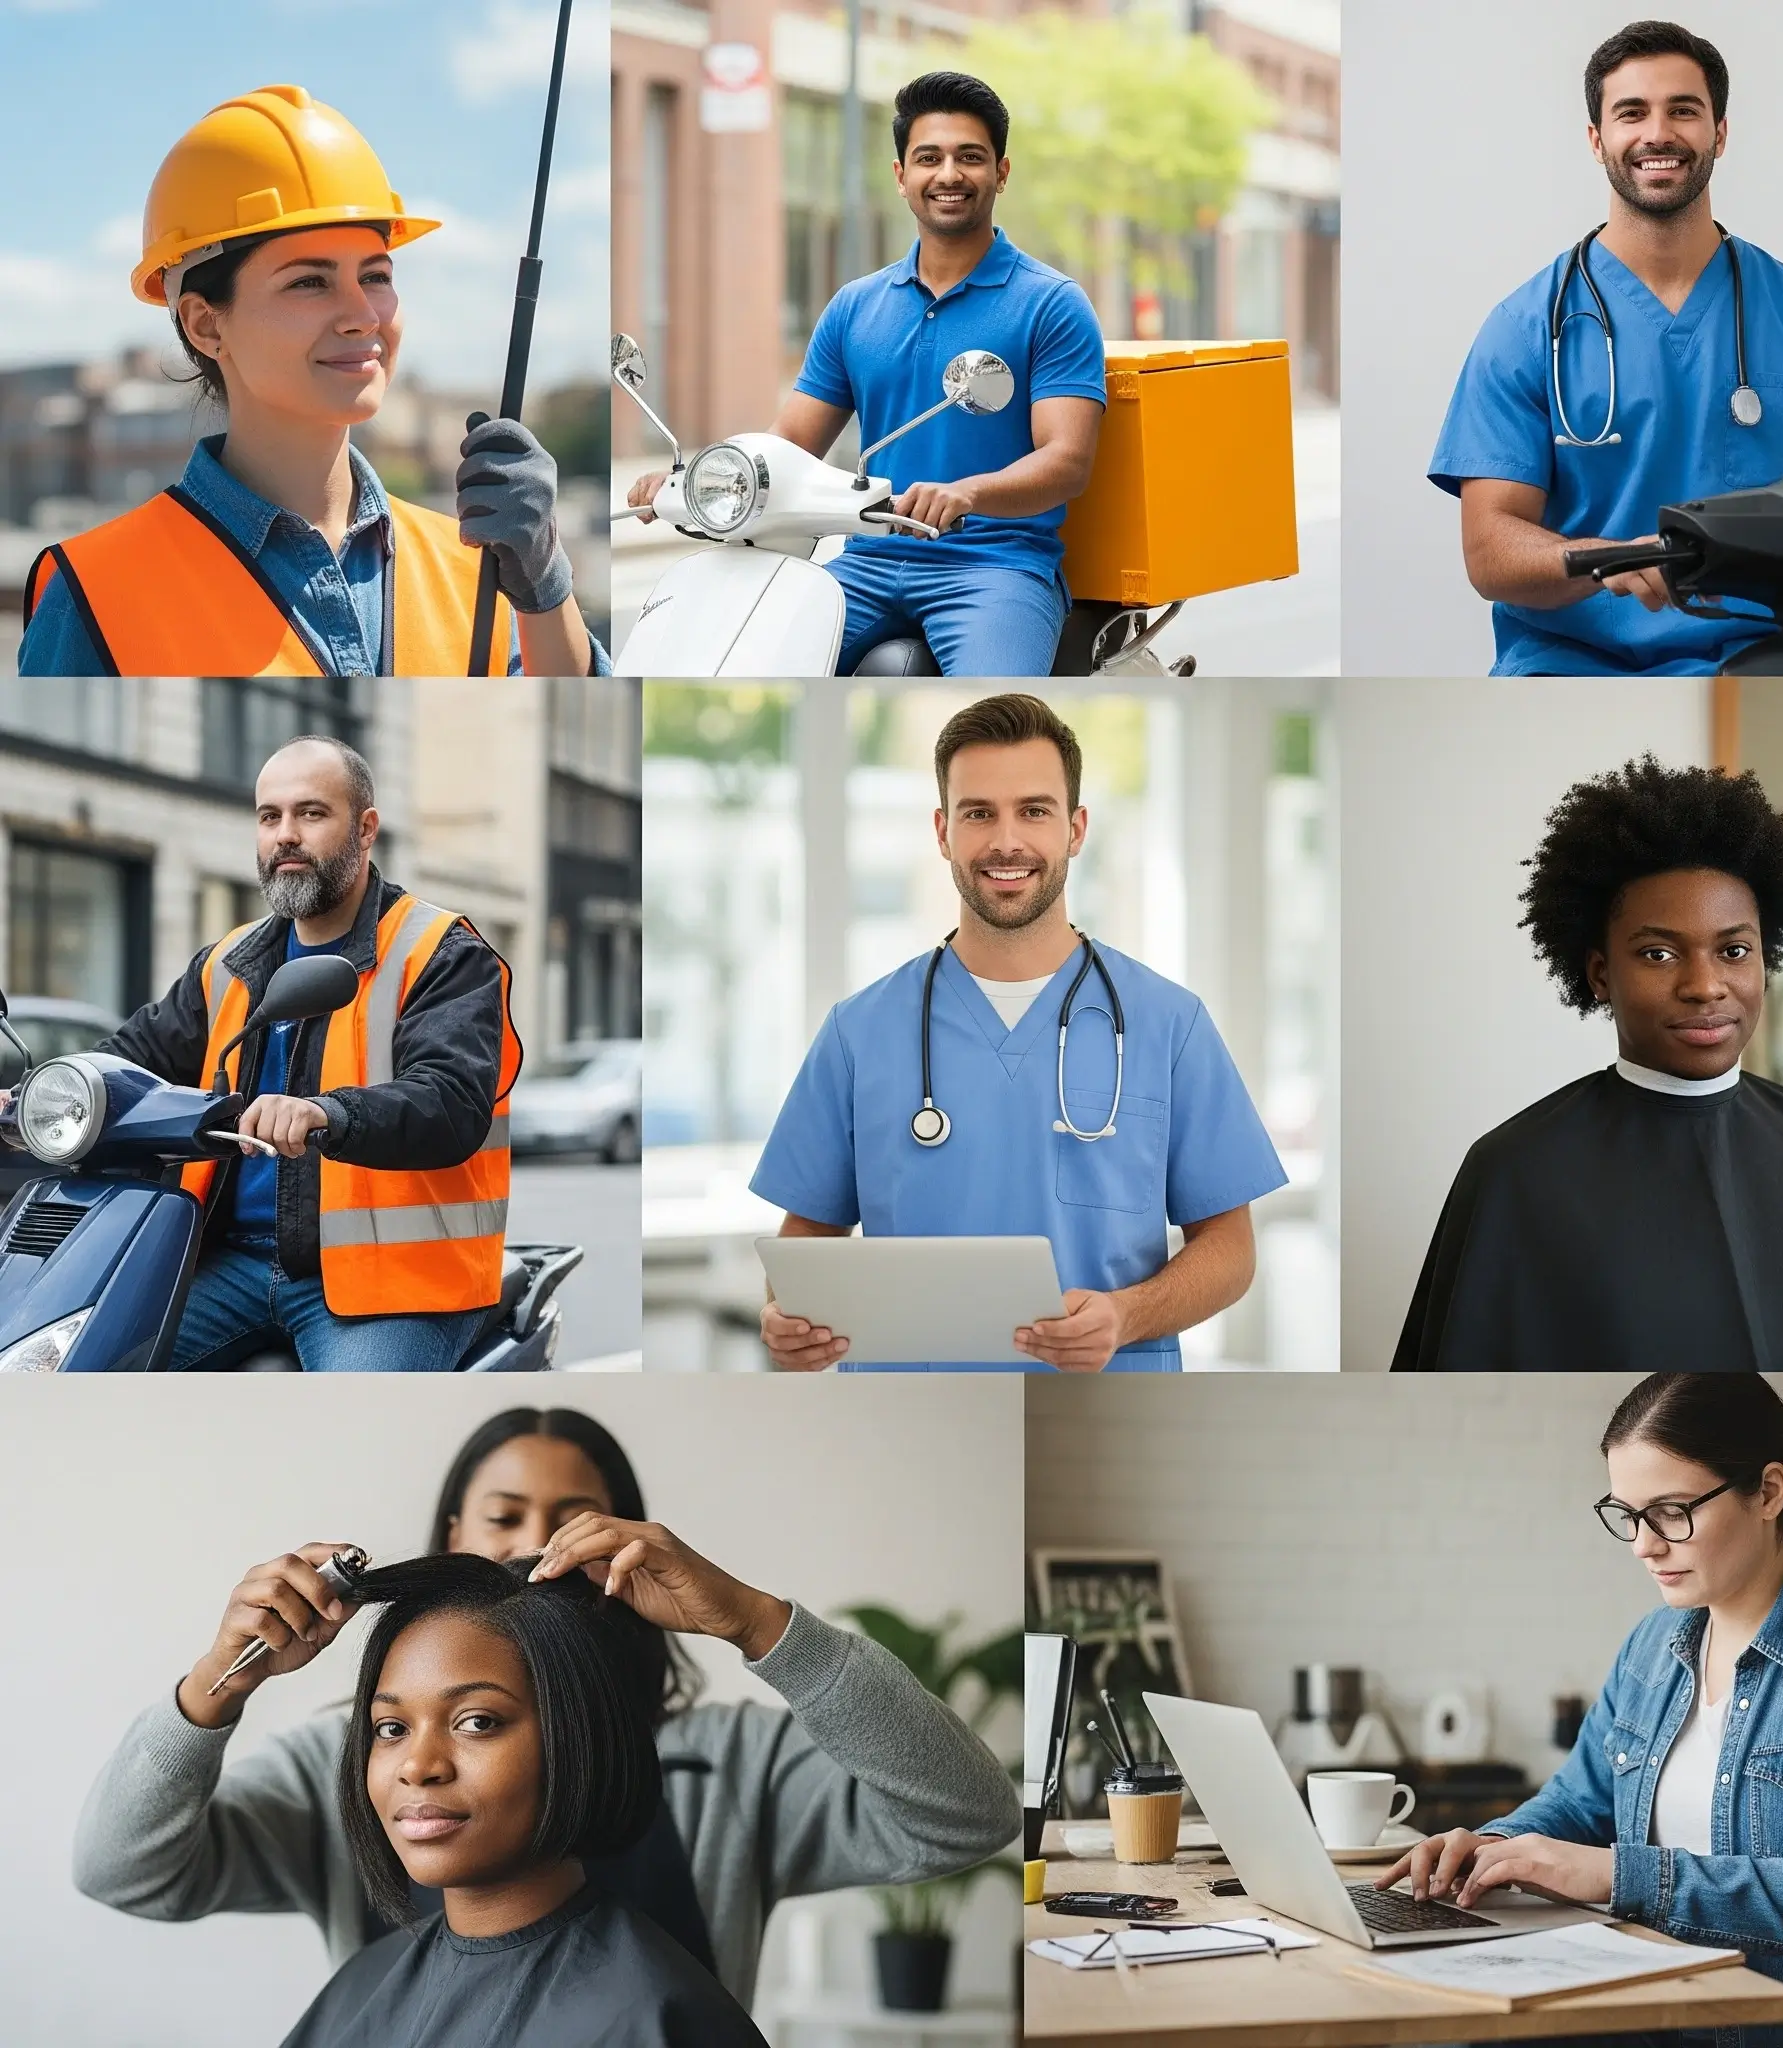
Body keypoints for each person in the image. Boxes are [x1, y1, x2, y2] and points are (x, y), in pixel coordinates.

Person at [73, 1408, 1020, 2006]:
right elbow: (129, 1874)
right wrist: (216, 1685)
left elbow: (966, 1818)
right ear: (452, 1536)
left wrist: (757, 1622)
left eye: (481, 1722)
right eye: (505, 1516)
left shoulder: (736, 1764)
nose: (537, 1545)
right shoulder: (360, 1769)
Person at [1378, 1374, 1783, 2048]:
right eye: (1627, 1514)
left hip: (1777, 2029)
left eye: (1671, 1511)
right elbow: (1577, 1804)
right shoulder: (1652, 1646)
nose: (1643, 1545)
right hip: (1651, 2003)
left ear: (1768, 1492)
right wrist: (1494, 1847)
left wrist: (1622, 1875)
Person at [1395, 757, 1783, 1368]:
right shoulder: (1514, 1173)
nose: (1705, 986)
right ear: (1601, 974)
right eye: (1658, 954)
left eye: (1734, 950)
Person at [750, 694, 1287, 1371]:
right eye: (980, 814)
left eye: (1034, 810)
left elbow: (1231, 1250)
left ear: (1076, 829)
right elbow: (805, 1237)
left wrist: (1127, 1317)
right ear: (943, 832)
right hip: (908, 1424)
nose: (1007, 841)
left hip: (1103, 1422)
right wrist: (786, 1318)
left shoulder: (1168, 1024)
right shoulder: (859, 1033)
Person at [19, 85, 607, 678]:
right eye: (308, 282)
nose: (363, 314)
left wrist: (545, 584)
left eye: (375, 275)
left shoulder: (477, 564)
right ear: (204, 323)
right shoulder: (94, 596)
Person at [1428, 21, 1783, 676]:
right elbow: (1489, 551)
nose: (1658, 134)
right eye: (1632, 113)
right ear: (1598, 140)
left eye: (1684, 110)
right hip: (1572, 665)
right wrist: (1609, 559)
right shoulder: (1524, 327)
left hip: (1774, 660)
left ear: (1720, 133)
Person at [627, 71, 1105, 677]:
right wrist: (689, 479)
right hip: (868, 560)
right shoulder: (856, 306)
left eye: (971, 158)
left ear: (1001, 174)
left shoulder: (1051, 303)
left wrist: (969, 492)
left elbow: (1068, 460)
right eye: (929, 158)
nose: (949, 175)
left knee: (990, 706)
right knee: (744, 669)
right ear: (902, 175)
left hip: (993, 565)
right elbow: (790, 444)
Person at [68, 735, 520, 1370]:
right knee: (77, 1365)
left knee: (355, 1441)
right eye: (269, 816)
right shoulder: (229, 962)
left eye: (311, 813)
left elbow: (448, 1102)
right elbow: (132, 1056)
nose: (285, 834)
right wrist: (43, 1095)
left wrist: (327, 1115)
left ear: (365, 831)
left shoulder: (442, 952)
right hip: (227, 1265)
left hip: (391, 1283)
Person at [278, 1552, 766, 2048]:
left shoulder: (654, 2013)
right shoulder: (361, 1986)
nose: (417, 1766)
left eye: (478, 1722)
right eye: (391, 1728)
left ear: (575, 1740)